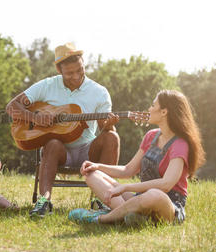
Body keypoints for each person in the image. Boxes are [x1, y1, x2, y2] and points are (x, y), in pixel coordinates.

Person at [6, 43, 120, 217]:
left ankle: (103, 200)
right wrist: (35, 118)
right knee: (52, 143)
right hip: (58, 152)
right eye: (69, 73)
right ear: (59, 70)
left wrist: (109, 124)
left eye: (79, 70)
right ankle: (44, 202)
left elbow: (106, 129)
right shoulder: (47, 85)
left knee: (112, 137)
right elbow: (11, 107)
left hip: (87, 151)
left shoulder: (99, 92)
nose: (75, 76)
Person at [69, 90, 205, 224]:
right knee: (92, 175)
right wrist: (98, 166)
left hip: (167, 204)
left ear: (164, 112)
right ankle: (133, 216)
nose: (149, 109)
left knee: (153, 195)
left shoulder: (180, 144)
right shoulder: (151, 136)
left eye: (153, 105)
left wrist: (126, 187)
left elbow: (166, 184)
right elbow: (128, 170)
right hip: (140, 198)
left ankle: (101, 218)